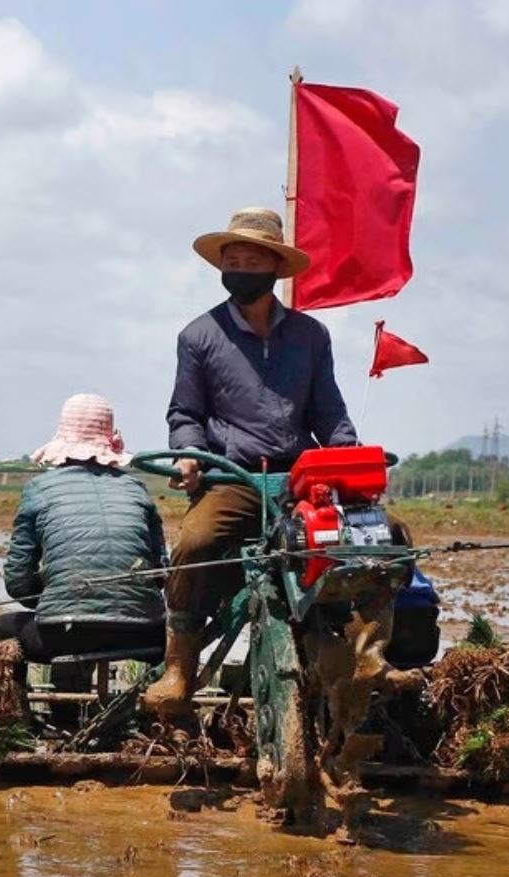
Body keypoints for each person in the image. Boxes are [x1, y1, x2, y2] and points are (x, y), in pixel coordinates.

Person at [144, 207, 358, 722]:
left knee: (374, 536)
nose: (240, 267)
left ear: (273, 269)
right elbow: (185, 413)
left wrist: (349, 459)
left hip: (299, 477)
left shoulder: (310, 336)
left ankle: (365, 652)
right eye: (232, 259)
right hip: (233, 475)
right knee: (195, 542)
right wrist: (190, 457)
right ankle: (179, 667)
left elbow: (329, 413)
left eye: (251, 259)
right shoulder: (199, 336)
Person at [0, 394, 168, 692]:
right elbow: (161, 572)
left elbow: (17, 582)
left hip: (64, 633)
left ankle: (19, 717)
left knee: (0, 630)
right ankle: (154, 714)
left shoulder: (39, 489)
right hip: (142, 633)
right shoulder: (136, 489)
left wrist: (56, 597)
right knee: (176, 636)